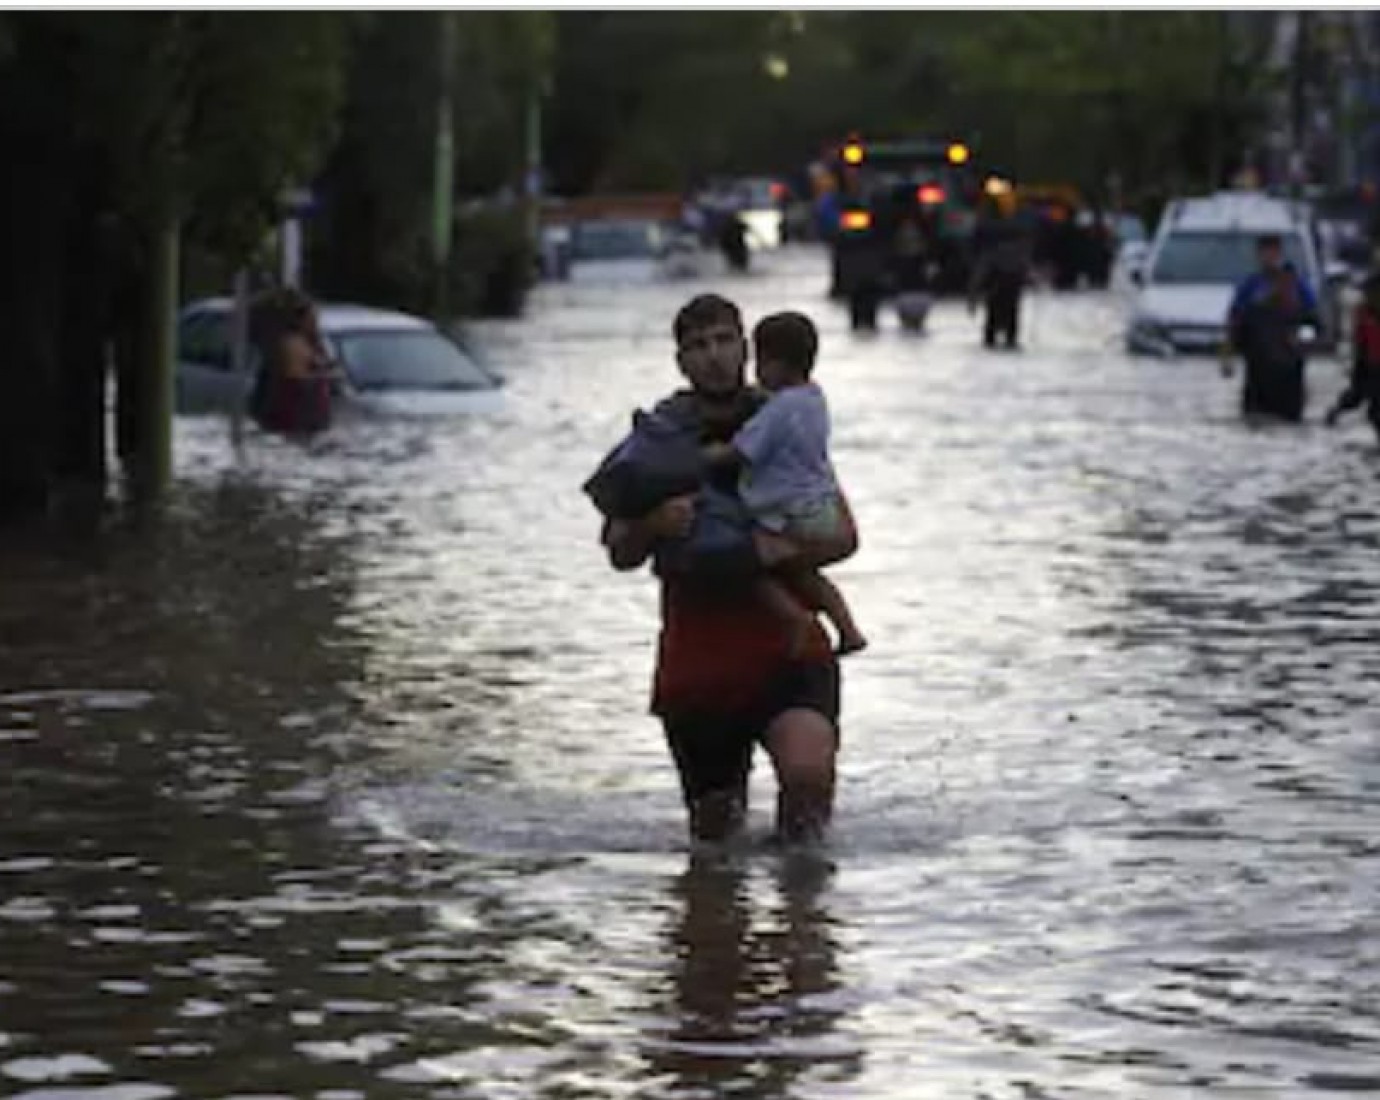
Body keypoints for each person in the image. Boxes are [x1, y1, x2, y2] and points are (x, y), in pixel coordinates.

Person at [597, 293, 857, 845]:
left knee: (808, 782)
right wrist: (654, 524)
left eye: (723, 341)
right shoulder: (659, 439)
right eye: (698, 346)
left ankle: (807, 920)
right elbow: (620, 551)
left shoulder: (786, 417)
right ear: (681, 362)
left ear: (746, 346)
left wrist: (772, 551)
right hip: (701, 664)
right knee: (715, 844)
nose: (713, 356)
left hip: (789, 650)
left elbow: (842, 535)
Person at [703, 311, 866, 657]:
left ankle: (793, 618)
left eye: (760, 361)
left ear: (778, 365)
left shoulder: (779, 410)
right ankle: (848, 629)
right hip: (821, 508)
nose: (755, 371)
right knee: (802, 573)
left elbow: (741, 452)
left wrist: (703, 455)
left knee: (748, 562)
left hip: (793, 515)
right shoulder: (813, 399)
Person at [1223, 234, 1320, 422]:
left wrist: (1300, 340)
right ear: (1258, 255)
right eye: (1265, 253)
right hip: (1258, 370)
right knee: (1255, 417)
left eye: (1273, 253)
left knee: (1289, 420)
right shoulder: (1251, 288)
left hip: (1290, 373)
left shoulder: (1300, 289)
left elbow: (1314, 327)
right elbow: (1235, 324)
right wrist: (1228, 356)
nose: (1269, 258)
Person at [248, 288, 336, 436]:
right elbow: (297, 377)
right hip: (296, 412)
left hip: (308, 414)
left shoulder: (312, 341)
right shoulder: (292, 343)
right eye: (313, 316)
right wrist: (325, 373)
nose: (316, 319)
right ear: (302, 318)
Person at [1325, 270, 1380, 443]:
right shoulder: (1363, 316)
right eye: (1368, 293)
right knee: (1367, 403)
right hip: (1371, 369)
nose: (1370, 297)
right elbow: (1360, 350)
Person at [969, 196, 1029, 349]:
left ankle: (998, 339)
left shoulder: (986, 229)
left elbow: (980, 263)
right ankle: (1009, 338)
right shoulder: (1015, 227)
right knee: (1010, 315)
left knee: (993, 318)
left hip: (996, 275)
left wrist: (973, 295)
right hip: (1011, 276)